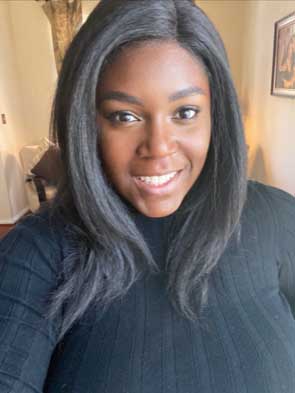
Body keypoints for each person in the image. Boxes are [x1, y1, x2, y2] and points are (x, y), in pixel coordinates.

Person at [1, 1, 295, 392]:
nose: (158, 148)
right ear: (86, 121)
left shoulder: (279, 218)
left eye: (185, 112)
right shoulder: (36, 252)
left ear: (215, 115)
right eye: (124, 116)